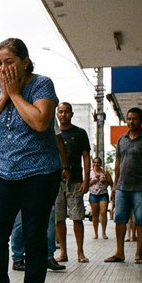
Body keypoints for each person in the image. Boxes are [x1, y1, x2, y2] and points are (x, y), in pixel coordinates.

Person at [0, 37, 69, 283]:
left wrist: (15, 94)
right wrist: (4, 94)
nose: (3, 69)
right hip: (4, 171)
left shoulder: (42, 84)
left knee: (33, 234)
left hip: (40, 172)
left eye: (9, 62)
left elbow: (40, 122)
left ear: (25, 62)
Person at [104, 107, 142, 264]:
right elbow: (117, 163)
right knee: (119, 219)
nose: (131, 121)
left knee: (141, 219)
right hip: (122, 187)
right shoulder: (122, 139)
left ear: (141, 121)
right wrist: (114, 185)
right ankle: (119, 253)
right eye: (128, 118)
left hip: (141, 188)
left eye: (134, 119)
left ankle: (138, 254)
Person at [53, 102, 91, 264]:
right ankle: (63, 252)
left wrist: (87, 180)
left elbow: (86, 157)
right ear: (57, 114)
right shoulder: (52, 133)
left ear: (71, 114)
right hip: (56, 181)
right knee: (58, 218)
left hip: (75, 181)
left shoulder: (80, 133)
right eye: (60, 112)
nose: (63, 115)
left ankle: (80, 252)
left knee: (77, 217)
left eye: (66, 112)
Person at [88, 157, 113, 239]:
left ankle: (103, 233)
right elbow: (86, 184)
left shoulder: (105, 172)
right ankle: (95, 233)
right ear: (93, 163)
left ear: (101, 163)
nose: (96, 164)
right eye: (95, 162)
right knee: (95, 215)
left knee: (103, 213)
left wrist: (105, 181)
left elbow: (111, 183)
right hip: (93, 194)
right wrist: (93, 181)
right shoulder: (90, 172)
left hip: (103, 194)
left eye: (98, 162)